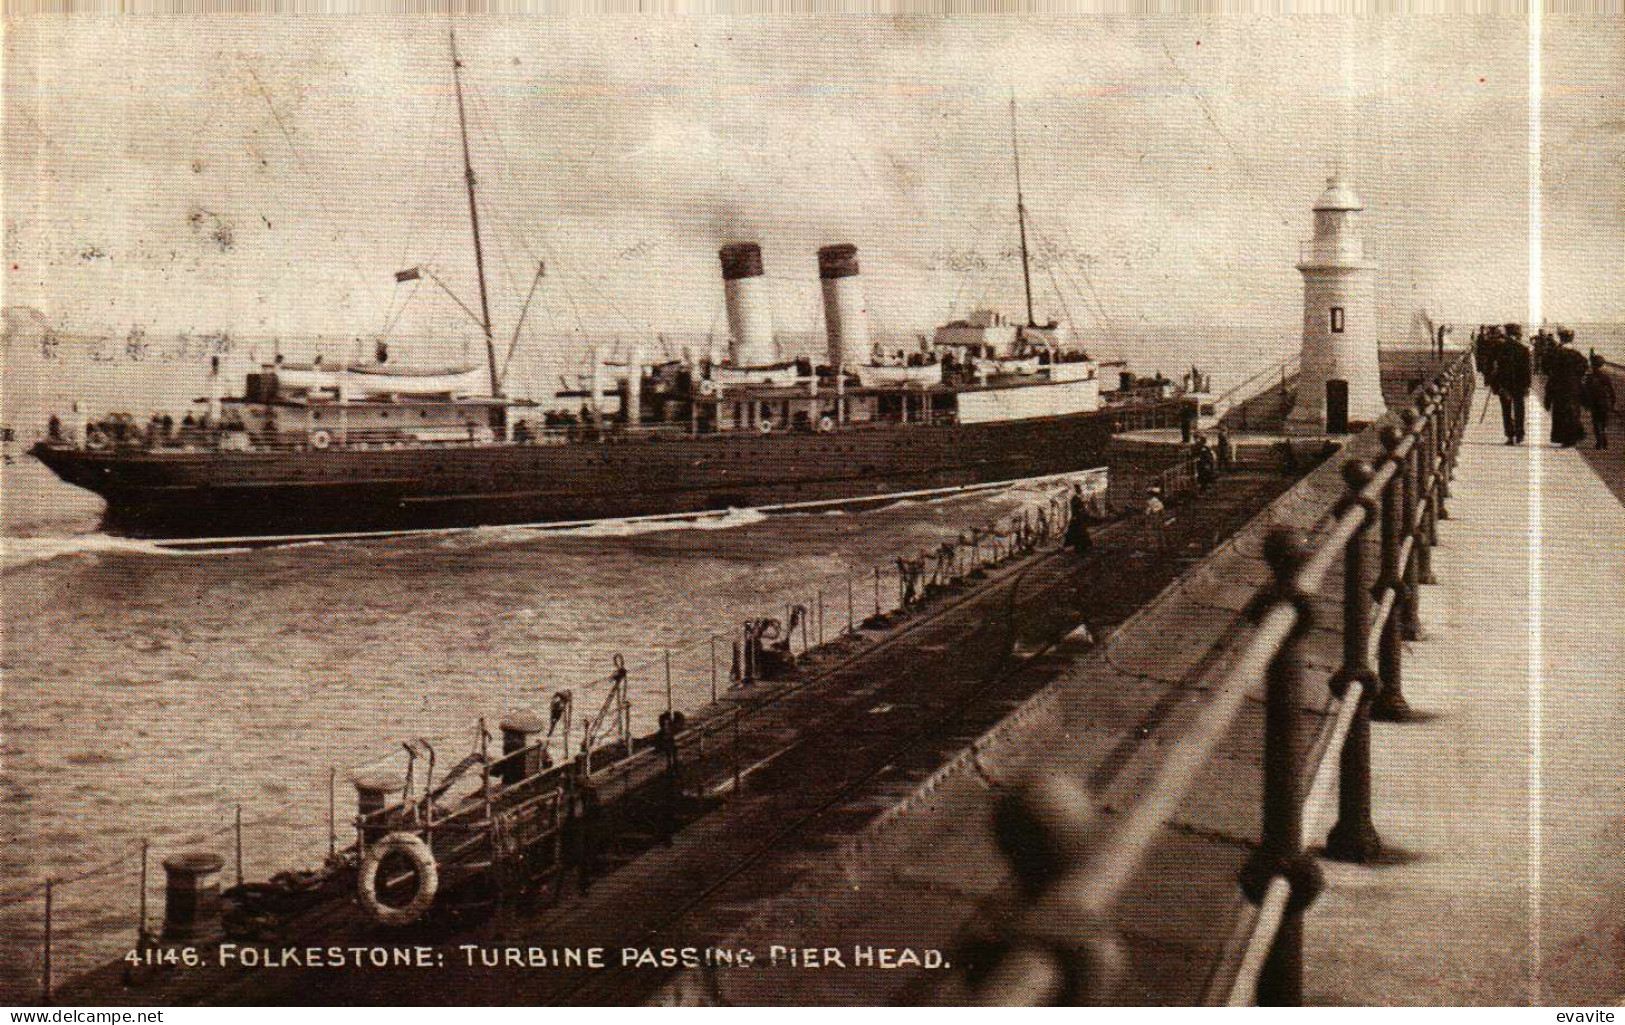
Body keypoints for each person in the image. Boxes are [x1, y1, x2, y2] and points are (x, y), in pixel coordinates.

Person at [1546, 329, 1587, 447]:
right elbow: (1583, 368)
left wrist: (1549, 394)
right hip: (1574, 388)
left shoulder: (1557, 353)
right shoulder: (1577, 354)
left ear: (1561, 338)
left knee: (1561, 413)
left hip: (1560, 388)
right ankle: (1573, 438)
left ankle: (1565, 439)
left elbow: (1551, 371)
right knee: (1573, 413)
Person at [1490, 325, 1530, 444]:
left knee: (1506, 410)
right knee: (1519, 410)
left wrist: (1496, 385)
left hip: (1505, 384)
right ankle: (1520, 434)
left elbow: (1495, 368)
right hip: (1519, 384)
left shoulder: (1499, 347)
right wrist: (1527, 386)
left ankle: (1510, 436)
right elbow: (1527, 370)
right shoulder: (1523, 349)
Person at [1583, 352, 1616, 450]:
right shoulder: (1605, 377)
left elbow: (1585, 391)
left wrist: (1585, 403)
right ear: (1602, 365)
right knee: (1604, 422)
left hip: (1594, 403)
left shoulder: (1589, 377)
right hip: (1604, 403)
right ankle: (1604, 436)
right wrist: (1613, 402)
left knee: (1596, 422)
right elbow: (1611, 391)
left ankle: (1598, 442)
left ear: (1592, 365)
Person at [1065, 484, 1094, 556]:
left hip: (1079, 518)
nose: (1080, 491)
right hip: (1077, 519)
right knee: (1078, 532)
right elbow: (1075, 509)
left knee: (1080, 532)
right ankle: (1080, 547)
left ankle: (1082, 546)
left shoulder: (1076, 498)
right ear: (1077, 490)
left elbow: (1080, 508)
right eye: (1079, 489)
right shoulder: (1074, 499)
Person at [1143, 487, 1166, 554]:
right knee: (1160, 534)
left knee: (1152, 534)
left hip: (1152, 520)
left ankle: (1154, 549)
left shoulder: (1149, 502)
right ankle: (1162, 549)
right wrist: (1162, 519)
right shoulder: (1159, 502)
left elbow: (1148, 513)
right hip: (1159, 520)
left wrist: (1146, 518)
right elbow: (1163, 513)